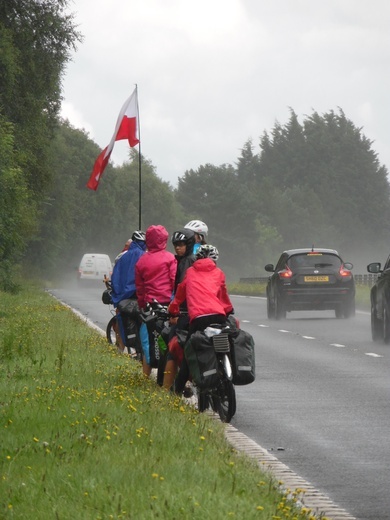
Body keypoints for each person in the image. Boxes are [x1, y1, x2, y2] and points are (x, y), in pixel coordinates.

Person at [168, 244, 234, 394]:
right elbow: (223, 297)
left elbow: (179, 294)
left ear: (197, 258)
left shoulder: (190, 272)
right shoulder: (219, 273)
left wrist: (173, 310)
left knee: (188, 354)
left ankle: (176, 393)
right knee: (224, 341)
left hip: (198, 318)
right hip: (218, 315)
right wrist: (228, 310)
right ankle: (225, 365)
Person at [135, 225, 176, 377]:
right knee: (171, 339)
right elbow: (174, 281)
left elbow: (140, 287)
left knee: (149, 341)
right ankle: (170, 376)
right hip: (167, 305)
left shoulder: (141, 261)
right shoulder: (170, 258)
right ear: (164, 239)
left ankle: (146, 376)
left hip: (149, 306)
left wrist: (141, 304)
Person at [162, 228, 196, 390]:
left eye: (181, 244)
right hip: (191, 311)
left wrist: (174, 311)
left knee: (172, 348)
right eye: (175, 244)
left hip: (185, 312)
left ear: (189, 245)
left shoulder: (187, 262)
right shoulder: (185, 260)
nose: (177, 248)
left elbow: (182, 290)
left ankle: (168, 388)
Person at [110, 231, 147, 352]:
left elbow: (116, 278)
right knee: (142, 323)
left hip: (124, 299)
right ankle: (140, 353)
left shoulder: (122, 256)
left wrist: (117, 295)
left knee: (122, 324)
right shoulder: (145, 256)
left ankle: (120, 350)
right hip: (140, 298)